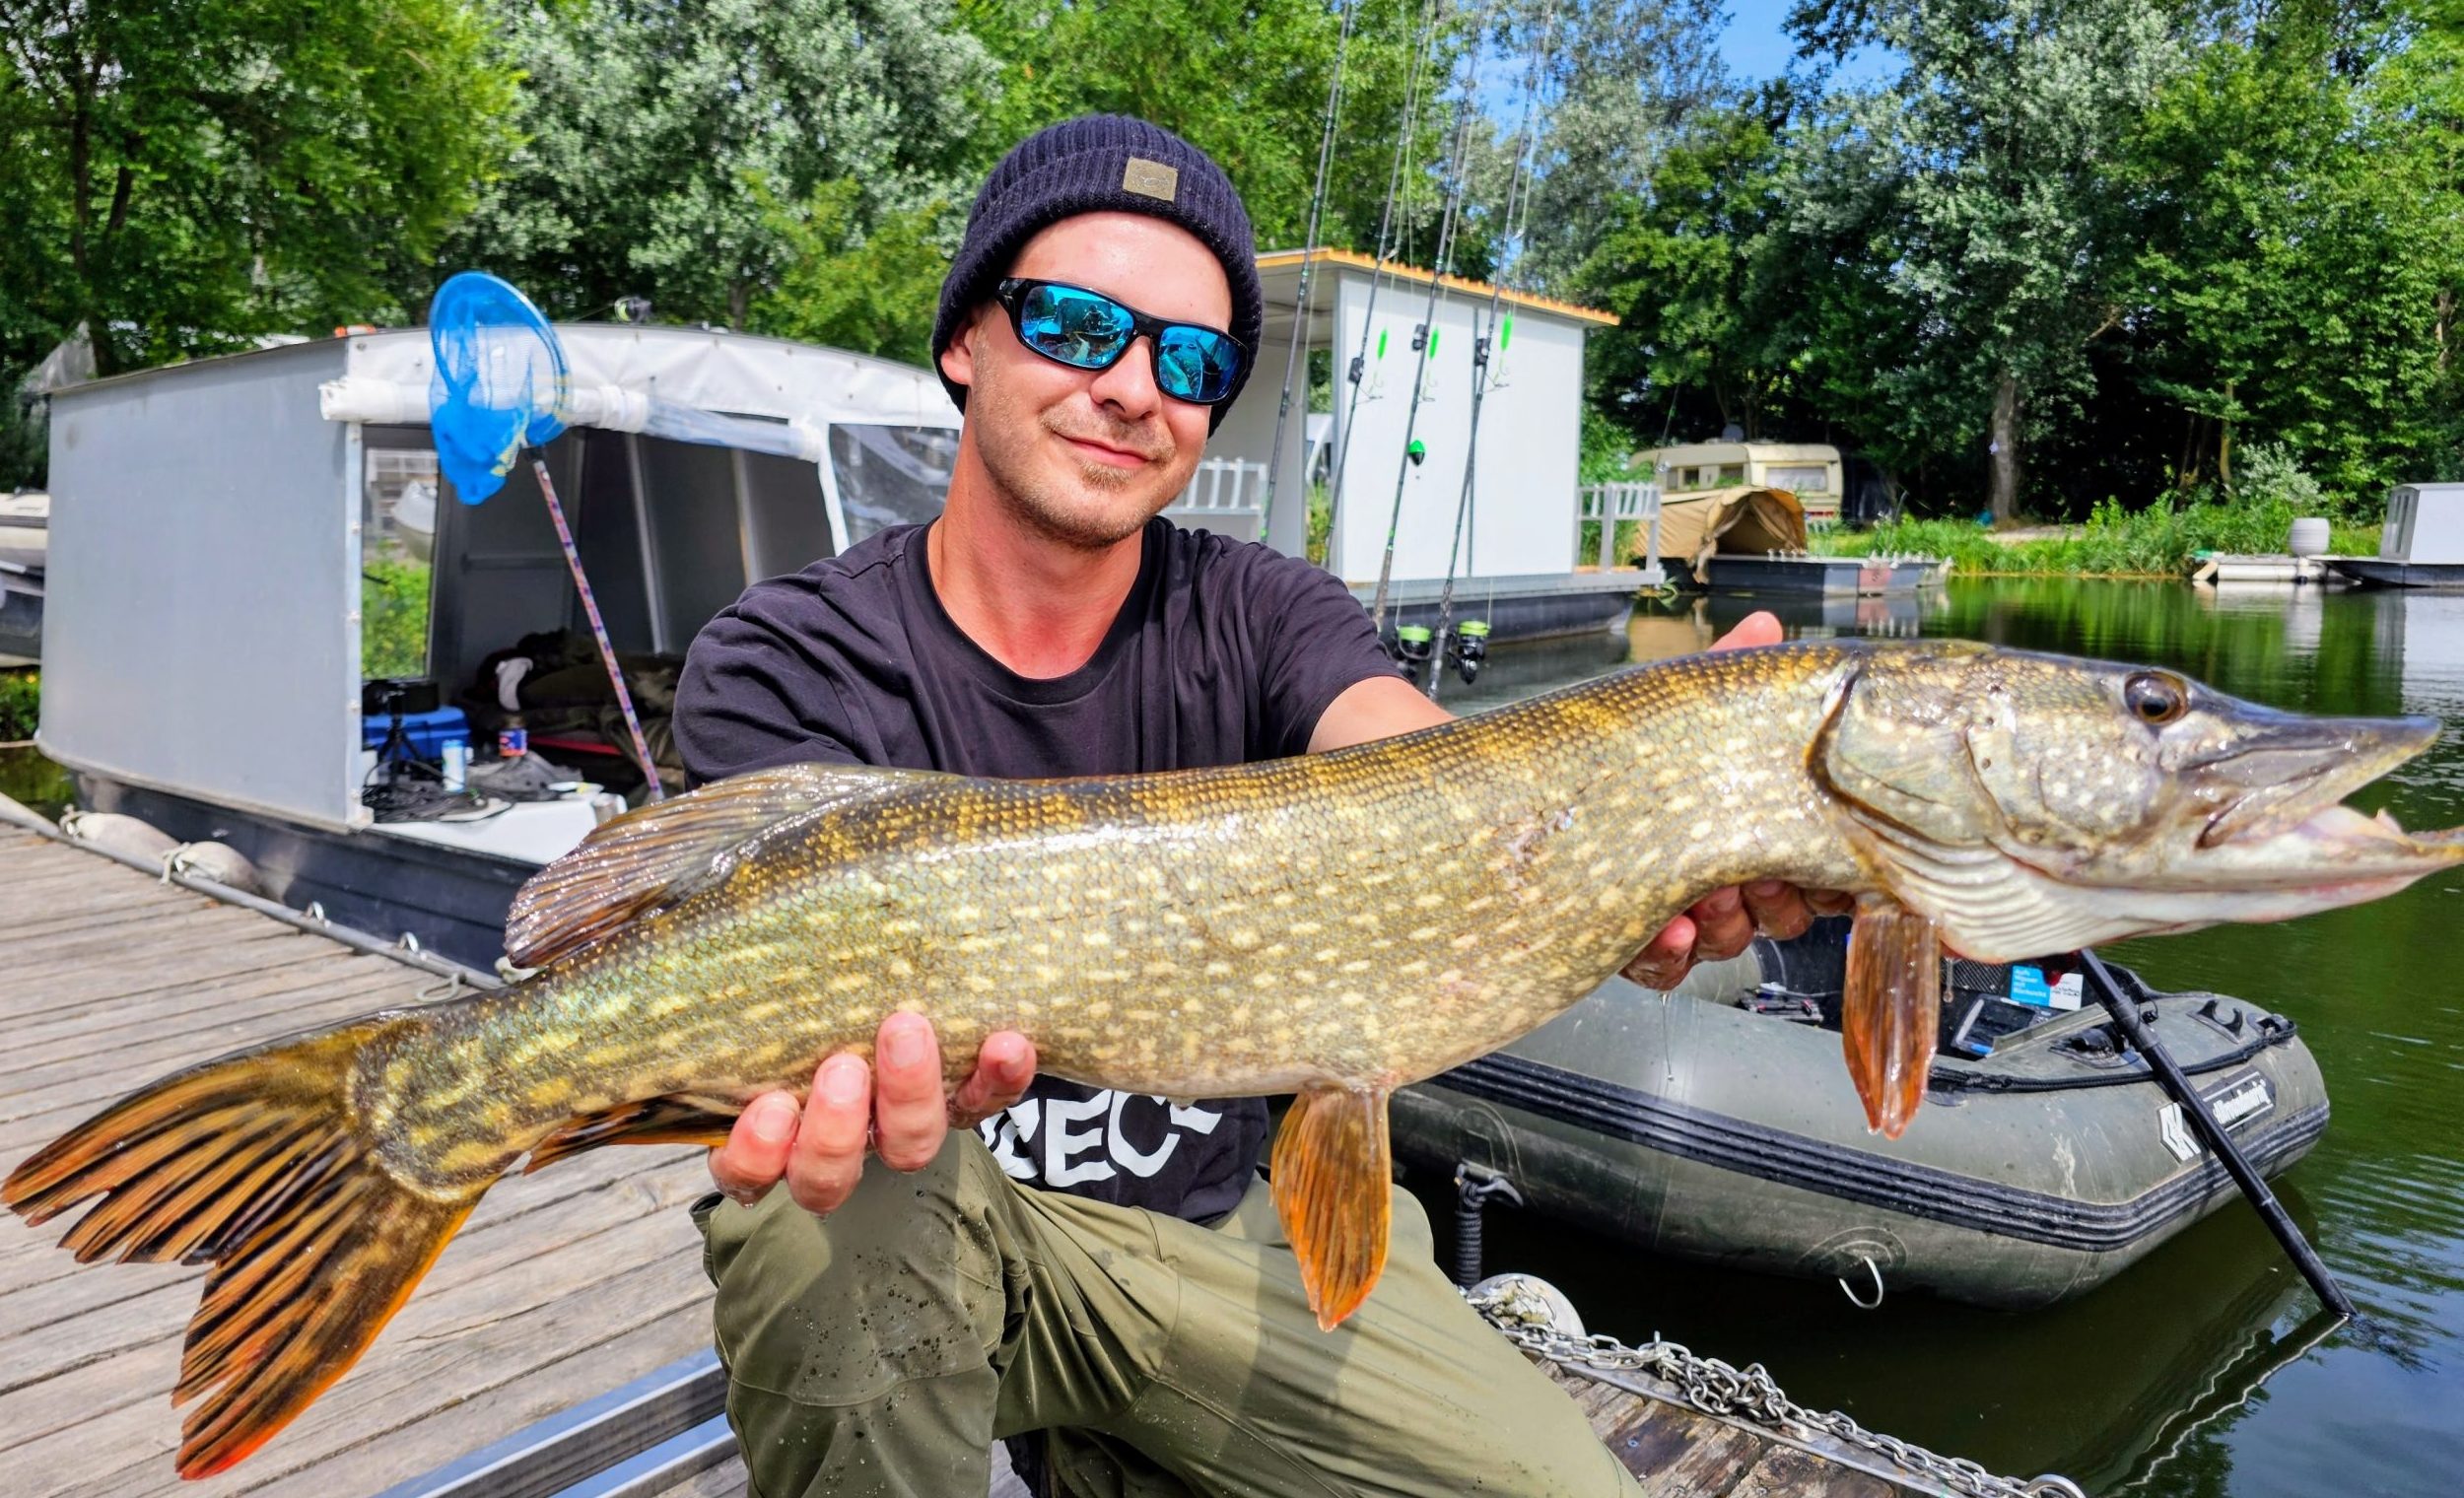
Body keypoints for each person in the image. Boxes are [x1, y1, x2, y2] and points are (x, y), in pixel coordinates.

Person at [672, 115, 1827, 1498]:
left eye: (1191, 361)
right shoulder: (788, 658)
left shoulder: (1266, 609)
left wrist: (1645, 814)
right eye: (1074, 324)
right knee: (822, 1213)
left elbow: (1415, 763)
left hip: (1238, 1234)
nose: (1131, 388)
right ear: (966, 336)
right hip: (945, 1219)